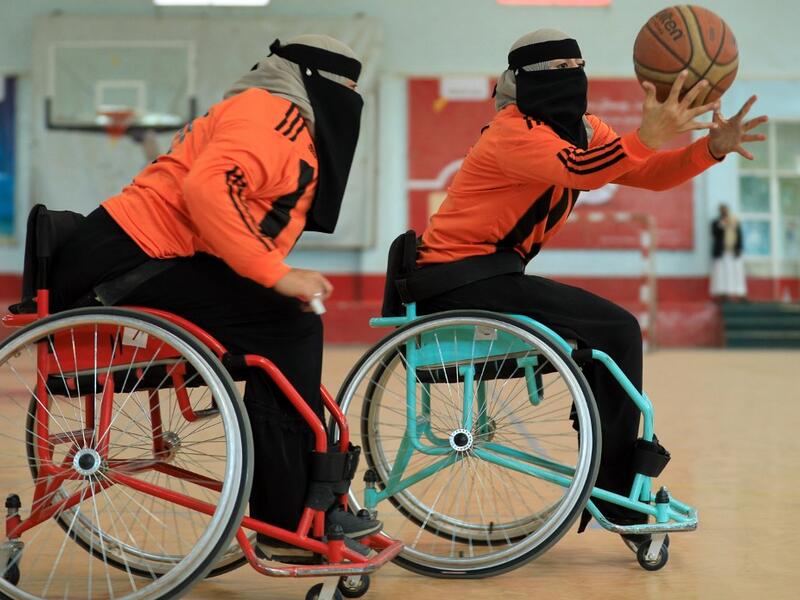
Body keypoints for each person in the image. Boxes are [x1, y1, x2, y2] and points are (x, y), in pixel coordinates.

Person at [414, 29, 767, 550]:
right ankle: (615, 489)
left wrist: (708, 149)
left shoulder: (584, 129)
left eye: (575, 65)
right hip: (454, 278)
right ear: (521, 80)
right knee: (616, 329)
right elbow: (582, 172)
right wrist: (645, 132)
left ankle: (610, 478)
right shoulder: (511, 132)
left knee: (609, 336)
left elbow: (646, 172)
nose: (570, 76)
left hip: (493, 274)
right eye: (556, 69)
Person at [50, 34, 380, 563]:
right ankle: (285, 515)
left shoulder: (260, 109)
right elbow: (209, 187)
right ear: (316, 82)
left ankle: (297, 503)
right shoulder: (275, 114)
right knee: (286, 327)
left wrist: (273, 274)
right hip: (128, 265)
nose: (352, 95)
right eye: (347, 84)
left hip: (134, 257)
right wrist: (273, 273)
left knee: (284, 320)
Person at [710, 203, 747, 301]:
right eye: (722, 210)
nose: (724, 212)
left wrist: (739, 248)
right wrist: (723, 224)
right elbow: (714, 233)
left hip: (734, 252)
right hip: (722, 252)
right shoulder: (716, 222)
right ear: (720, 211)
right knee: (723, 273)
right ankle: (724, 294)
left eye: (726, 210)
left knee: (736, 273)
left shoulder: (734, 221)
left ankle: (740, 294)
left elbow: (739, 235)